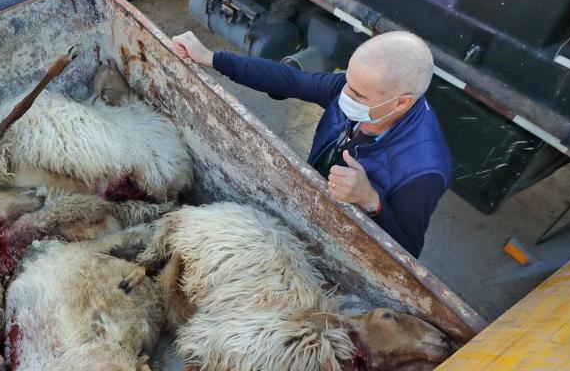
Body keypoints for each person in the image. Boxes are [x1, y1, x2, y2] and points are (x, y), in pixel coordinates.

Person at [171, 30, 451, 257]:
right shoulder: (355, 89)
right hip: (313, 200)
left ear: (401, 101)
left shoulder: (423, 170)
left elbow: (409, 249)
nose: (344, 94)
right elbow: (292, 80)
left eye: (357, 93)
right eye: (347, 81)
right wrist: (210, 57)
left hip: (341, 244)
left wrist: (370, 200)